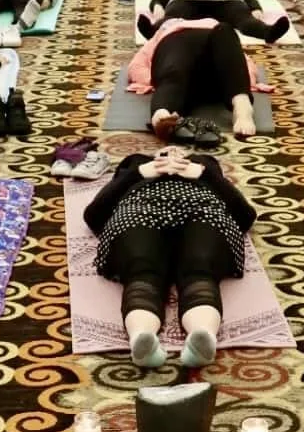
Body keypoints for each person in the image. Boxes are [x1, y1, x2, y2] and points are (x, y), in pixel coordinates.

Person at [84, 145, 256, 368]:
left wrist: (204, 174)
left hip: (203, 210)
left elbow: (245, 216)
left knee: (200, 268)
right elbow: (94, 215)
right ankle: (142, 339)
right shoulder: (137, 163)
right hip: (140, 209)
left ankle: (202, 338)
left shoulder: (204, 165)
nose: (173, 151)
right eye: (165, 151)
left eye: (181, 151)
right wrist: (140, 173)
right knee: (142, 269)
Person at [127, 16, 264, 141]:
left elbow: (243, 63)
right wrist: (158, 82)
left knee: (225, 30)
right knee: (175, 71)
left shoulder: (216, 27)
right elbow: (136, 66)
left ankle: (242, 107)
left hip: (213, 76)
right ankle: (163, 115)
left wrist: (237, 84)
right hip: (179, 60)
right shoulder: (163, 31)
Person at [139, 0, 290, 45]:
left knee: (243, 20)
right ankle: (153, 31)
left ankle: (268, 32)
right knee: (172, 19)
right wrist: (157, 6)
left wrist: (255, 8)